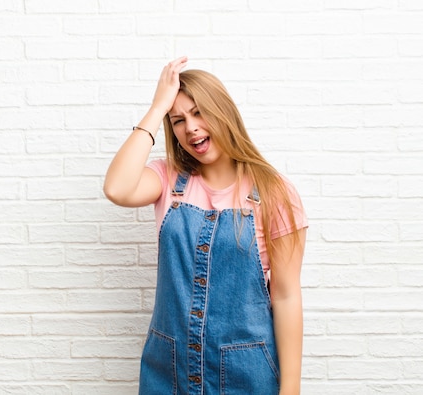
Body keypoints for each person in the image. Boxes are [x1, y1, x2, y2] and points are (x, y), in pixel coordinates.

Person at [103, 57, 308, 395]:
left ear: (223, 112)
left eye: (199, 112)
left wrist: (291, 389)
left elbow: (286, 296)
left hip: (248, 375)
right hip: (168, 371)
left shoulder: (275, 192)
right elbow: (117, 188)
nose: (190, 127)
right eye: (178, 120)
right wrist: (157, 109)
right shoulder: (166, 179)